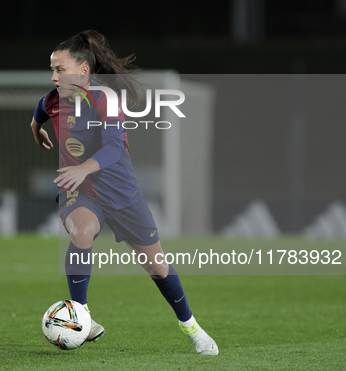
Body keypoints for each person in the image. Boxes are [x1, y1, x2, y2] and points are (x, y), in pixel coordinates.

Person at [30, 30, 218, 355]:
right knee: (82, 231)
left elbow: (114, 148)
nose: (53, 76)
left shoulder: (104, 99)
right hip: (82, 192)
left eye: (59, 69)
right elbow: (38, 115)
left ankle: (192, 327)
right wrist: (37, 131)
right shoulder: (52, 101)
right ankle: (82, 314)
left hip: (122, 194)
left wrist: (82, 167)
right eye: (52, 69)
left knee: (157, 266)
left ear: (83, 71)